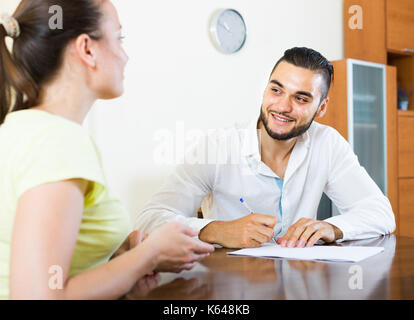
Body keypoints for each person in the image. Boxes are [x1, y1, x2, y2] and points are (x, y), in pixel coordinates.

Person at [0, 0, 214, 300]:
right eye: (119, 38)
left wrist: (122, 263)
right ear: (87, 49)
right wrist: (149, 255)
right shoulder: (58, 141)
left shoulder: (19, 129)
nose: (125, 56)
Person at [135, 47, 396, 249]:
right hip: (230, 286)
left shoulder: (328, 143)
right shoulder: (218, 146)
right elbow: (150, 218)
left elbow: (380, 213)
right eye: (276, 90)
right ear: (265, 90)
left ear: (322, 107)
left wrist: (332, 228)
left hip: (300, 283)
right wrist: (215, 230)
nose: (283, 106)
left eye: (301, 98)